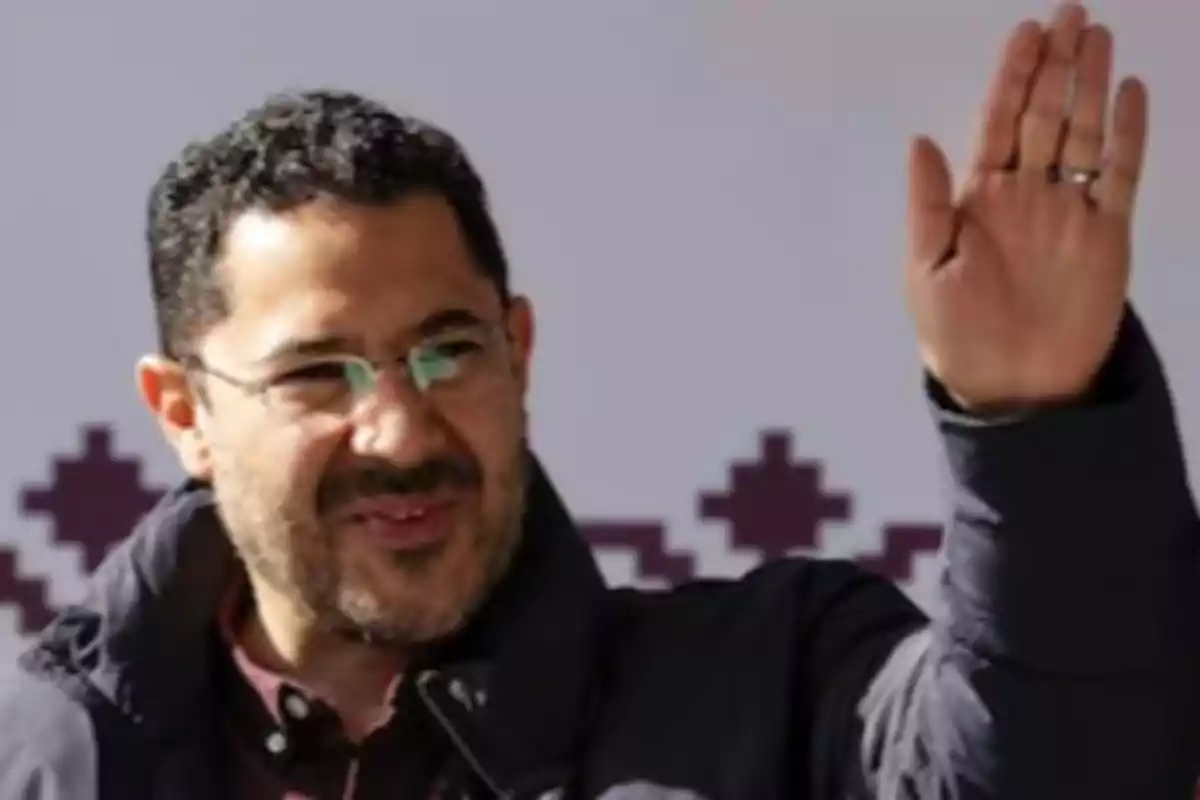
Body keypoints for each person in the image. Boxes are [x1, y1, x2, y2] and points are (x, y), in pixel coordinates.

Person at [1, 3, 1197, 798]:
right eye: (321, 372)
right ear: (183, 412)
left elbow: (1058, 764)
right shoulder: (41, 761)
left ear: (519, 349)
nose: (403, 430)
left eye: (447, 348)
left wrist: (1035, 418)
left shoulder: (769, 692)